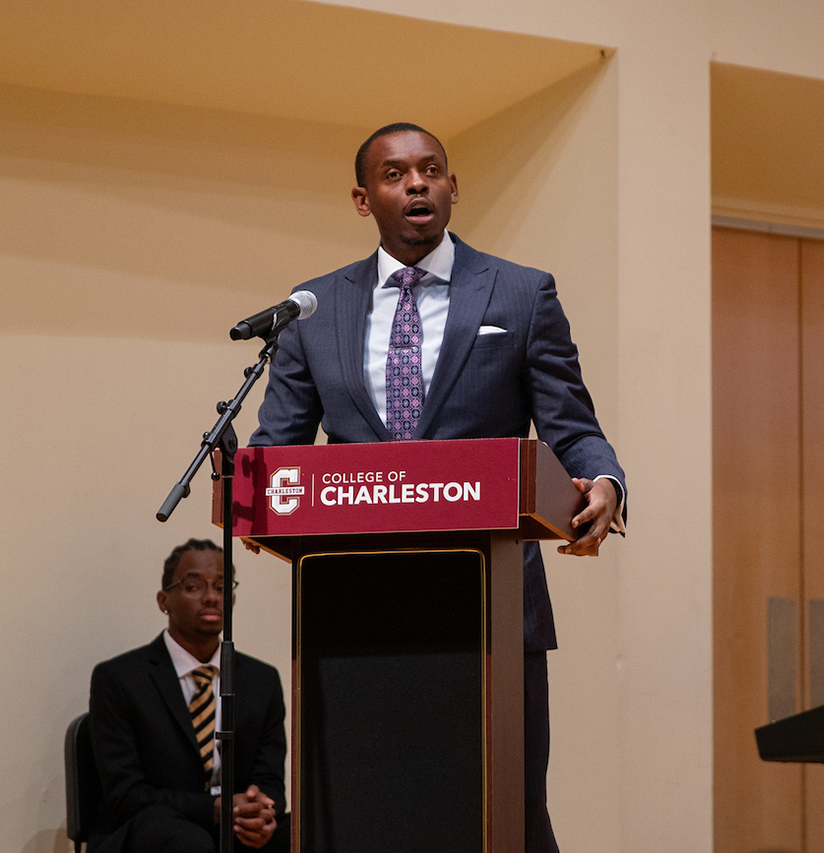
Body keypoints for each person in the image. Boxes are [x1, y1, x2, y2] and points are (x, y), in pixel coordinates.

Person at [248, 122, 626, 853]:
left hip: (492, 608)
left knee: (501, 817)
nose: (416, 183)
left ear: (453, 187)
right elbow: (277, 457)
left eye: (431, 170)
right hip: (353, 613)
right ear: (364, 199)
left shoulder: (520, 295)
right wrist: (247, 483)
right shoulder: (312, 312)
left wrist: (604, 480)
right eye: (394, 174)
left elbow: (572, 429)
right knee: (362, 814)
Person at [87, 538, 288, 853]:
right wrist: (214, 808)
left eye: (221, 587)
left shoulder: (261, 680)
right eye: (194, 587)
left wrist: (260, 812)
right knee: (186, 841)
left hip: (233, 828)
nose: (211, 597)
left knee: (308, 827)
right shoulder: (120, 679)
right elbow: (126, 796)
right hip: (152, 830)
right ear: (163, 600)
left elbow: (271, 779)